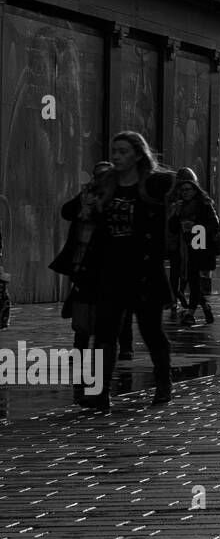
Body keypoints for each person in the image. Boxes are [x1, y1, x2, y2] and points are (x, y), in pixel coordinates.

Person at [85, 131, 176, 410]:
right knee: (105, 332)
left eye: (123, 151)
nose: (116, 156)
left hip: (144, 270)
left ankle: (163, 383)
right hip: (111, 269)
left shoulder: (153, 186)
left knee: (151, 331)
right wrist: (89, 207)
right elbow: (75, 214)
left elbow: (177, 184)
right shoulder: (107, 184)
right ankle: (99, 392)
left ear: (138, 154)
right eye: (114, 151)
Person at [50, 161, 113, 401]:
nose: (100, 179)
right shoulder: (85, 196)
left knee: (104, 322)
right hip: (81, 265)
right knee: (81, 321)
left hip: (104, 269)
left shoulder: (113, 200)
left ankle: (99, 377)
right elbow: (66, 212)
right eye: (97, 175)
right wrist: (83, 199)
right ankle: (80, 364)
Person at [170, 168, 220, 326]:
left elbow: (214, 224)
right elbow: (172, 228)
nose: (185, 192)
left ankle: (190, 314)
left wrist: (195, 225)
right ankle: (205, 306)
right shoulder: (180, 206)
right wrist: (176, 213)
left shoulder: (204, 205)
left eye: (188, 189)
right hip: (183, 248)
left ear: (195, 189)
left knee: (194, 281)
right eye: (182, 190)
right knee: (193, 281)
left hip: (200, 246)